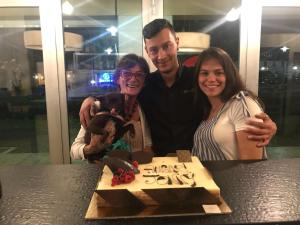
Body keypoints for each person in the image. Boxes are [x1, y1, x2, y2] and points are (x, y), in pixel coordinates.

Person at [79, 18, 277, 156]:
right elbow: (122, 92)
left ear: (177, 44)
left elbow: (231, 103)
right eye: (154, 50)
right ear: (148, 52)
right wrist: (92, 99)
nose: (162, 55)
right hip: (158, 164)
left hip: (198, 161)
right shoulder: (146, 84)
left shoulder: (198, 80)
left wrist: (267, 124)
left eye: (167, 46)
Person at [70, 54, 152, 161]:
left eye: (139, 75)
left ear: (144, 81)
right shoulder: (99, 107)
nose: (133, 79)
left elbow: (148, 145)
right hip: (104, 173)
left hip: (135, 174)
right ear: (118, 78)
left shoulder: (144, 109)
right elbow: (74, 151)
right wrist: (91, 149)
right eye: (127, 73)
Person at [192, 47, 267, 160]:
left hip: (231, 178)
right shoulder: (208, 109)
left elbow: (252, 167)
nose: (211, 79)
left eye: (218, 73)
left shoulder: (242, 104)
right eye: (205, 73)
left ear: (229, 75)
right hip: (205, 177)